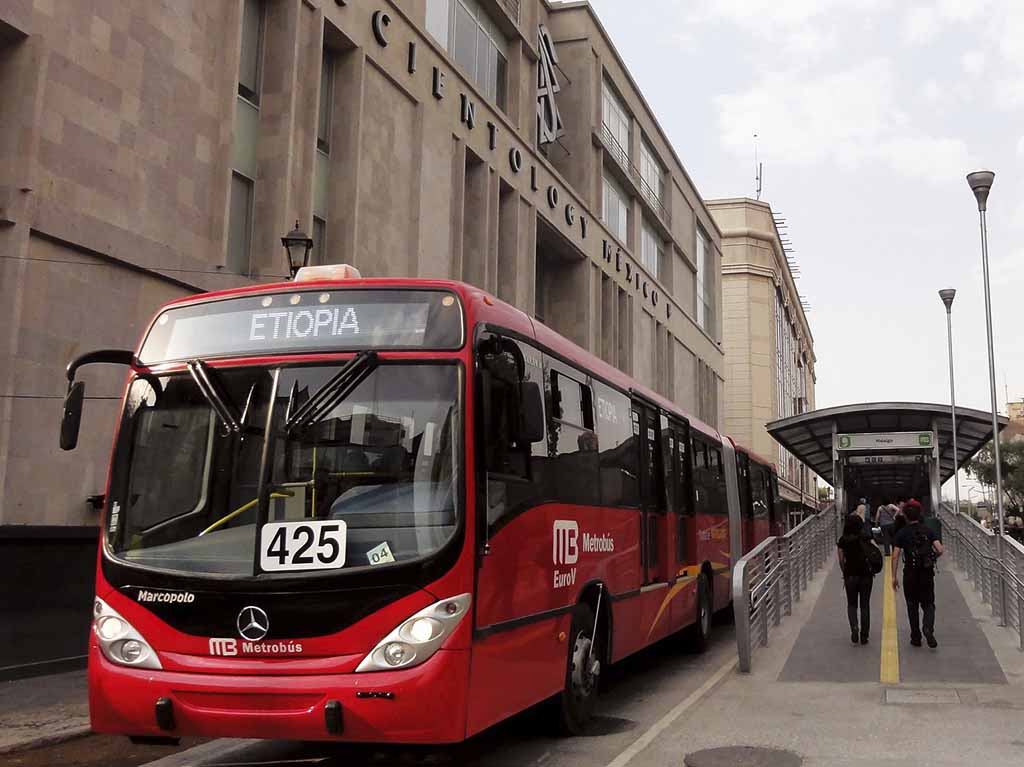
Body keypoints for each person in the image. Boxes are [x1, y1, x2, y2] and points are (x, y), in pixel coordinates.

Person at [892, 499, 944, 648]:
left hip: (910, 574)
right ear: (920, 514)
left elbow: (895, 555)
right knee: (928, 604)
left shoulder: (902, 533)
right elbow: (940, 549)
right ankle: (928, 628)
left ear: (906, 517)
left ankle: (915, 636)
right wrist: (932, 558)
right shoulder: (928, 530)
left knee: (912, 605)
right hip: (926, 573)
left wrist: (893, 577)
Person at [837, 514, 875, 645]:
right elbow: (873, 552)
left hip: (850, 576)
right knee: (865, 605)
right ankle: (864, 635)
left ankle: (854, 627)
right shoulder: (865, 537)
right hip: (866, 575)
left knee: (852, 604)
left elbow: (841, 560)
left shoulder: (843, 540)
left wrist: (845, 572)